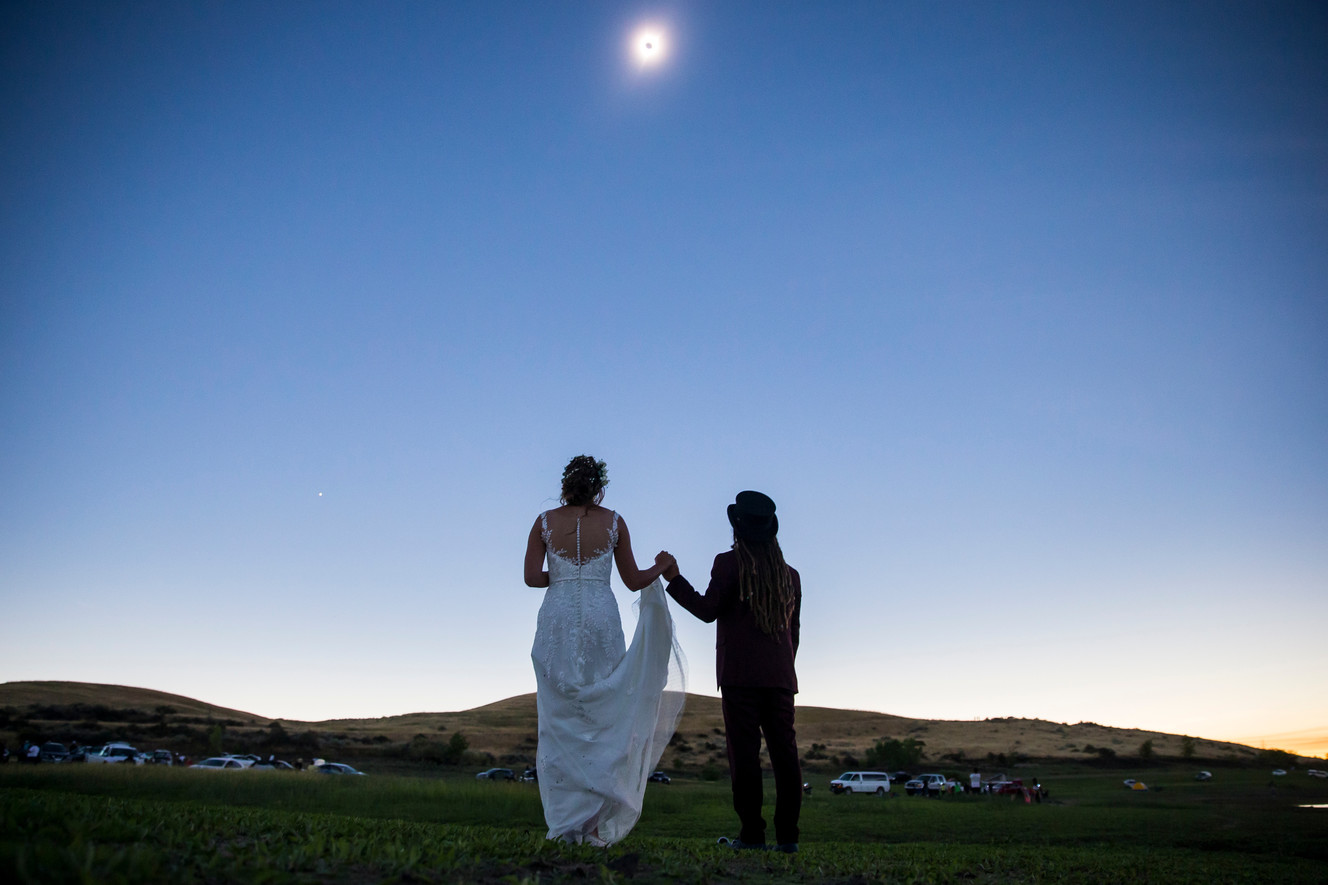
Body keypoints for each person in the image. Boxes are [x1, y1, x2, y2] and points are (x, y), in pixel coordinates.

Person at [524, 455, 686, 846]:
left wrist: (563, 578)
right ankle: (593, 825)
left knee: (560, 716)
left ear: (565, 484)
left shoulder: (544, 522)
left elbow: (531, 578)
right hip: (600, 615)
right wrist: (661, 566)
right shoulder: (614, 521)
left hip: (558, 617)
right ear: (599, 485)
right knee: (603, 714)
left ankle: (566, 825)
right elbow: (632, 581)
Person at [661, 490, 802, 853]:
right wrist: (782, 668)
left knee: (744, 757)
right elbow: (794, 634)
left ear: (737, 528)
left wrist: (674, 578)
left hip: (740, 676)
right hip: (781, 678)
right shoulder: (791, 576)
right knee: (785, 756)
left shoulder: (729, 563)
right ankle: (788, 838)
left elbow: (708, 610)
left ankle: (752, 835)